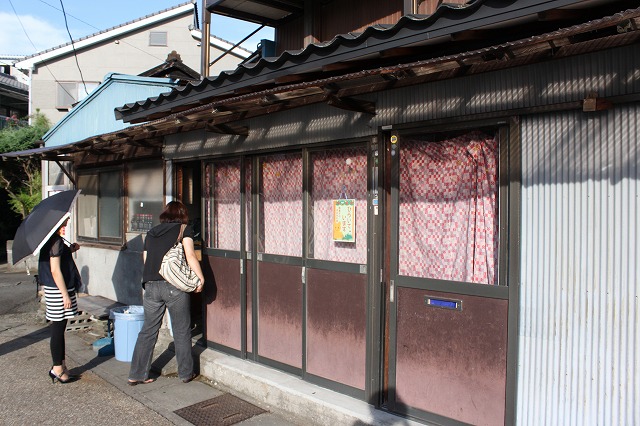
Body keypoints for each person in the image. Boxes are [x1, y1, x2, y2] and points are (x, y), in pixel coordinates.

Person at [128, 201, 204, 385]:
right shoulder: (184, 229)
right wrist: (200, 278)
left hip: (151, 286)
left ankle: (137, 374)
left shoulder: (152, 232)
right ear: (182, 214)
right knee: (181, 330)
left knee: (148, 330)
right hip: (174, 286)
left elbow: (146, 260)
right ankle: (185, 373)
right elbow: (191, 255)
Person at [38, 217, 81, 383]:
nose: (67, 223)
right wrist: (64, 294)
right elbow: (55, 270)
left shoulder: (50, 240)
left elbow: (56, 261)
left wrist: (69, 249)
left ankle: (62, 366)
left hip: (55, 288)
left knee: (60, 326)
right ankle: (57, 368)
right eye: (64, 221)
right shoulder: (55, 241)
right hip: (58, 289)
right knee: (57, 328)